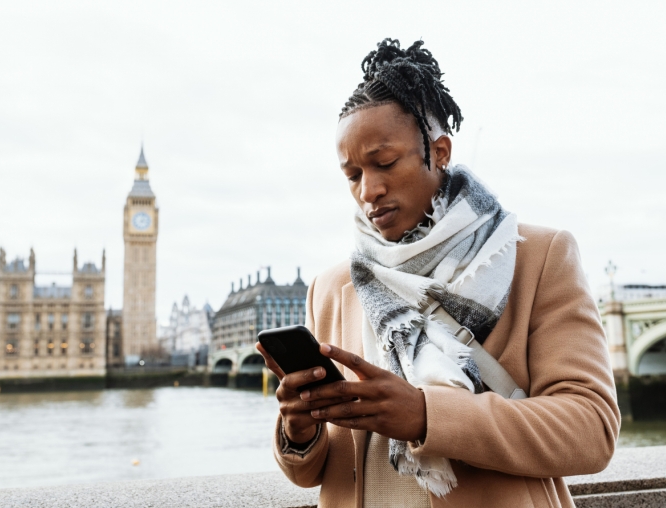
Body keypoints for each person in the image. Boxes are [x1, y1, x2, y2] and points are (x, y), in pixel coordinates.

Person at [256, 38, 620, 508]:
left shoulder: (538, 256)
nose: (369, 190)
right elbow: (313, 472)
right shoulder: (332, 288)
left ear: (440, 151)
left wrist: (427, 416)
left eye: (384, 162)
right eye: (352, 175)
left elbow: (591, 429)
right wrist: (299, 430)